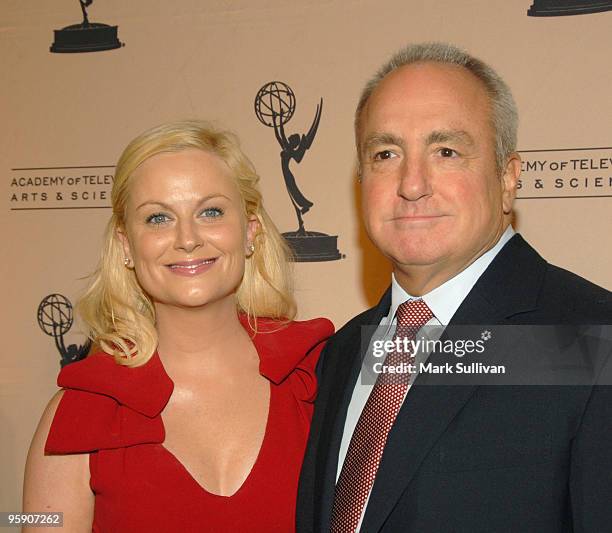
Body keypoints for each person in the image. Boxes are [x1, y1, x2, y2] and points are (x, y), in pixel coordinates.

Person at [297, 42, 612, 532]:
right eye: (386, 153)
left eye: (446, 151)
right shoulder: (341, 353)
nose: (412, 183)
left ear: (507, 178)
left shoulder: (593, 339)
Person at [23, 120, 333, 532]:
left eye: (210, 211)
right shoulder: (79, 412)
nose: (187, 238)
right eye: (157, 218)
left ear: (249, 232)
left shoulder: (320, 375)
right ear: (125, 245)